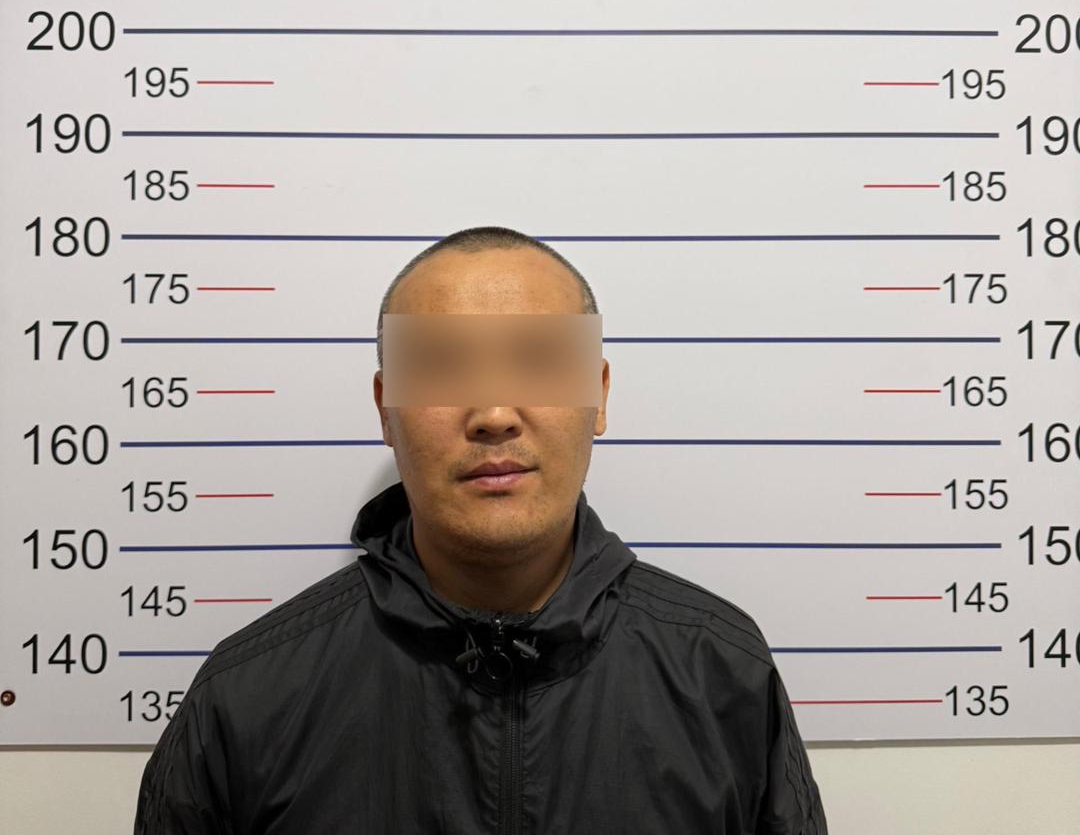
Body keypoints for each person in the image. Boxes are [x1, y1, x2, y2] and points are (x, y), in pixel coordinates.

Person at [134, 224, 827, 834]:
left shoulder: (722, 671)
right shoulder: (246, 697)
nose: (494, 412)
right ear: (385, 408)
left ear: (599, 394)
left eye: (537, 360)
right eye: (443, 365)